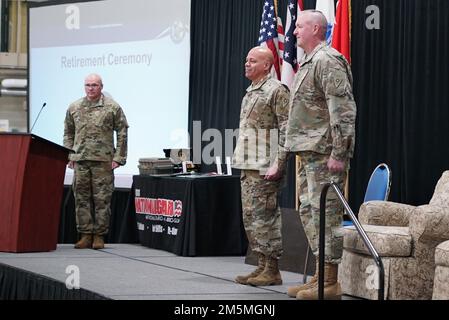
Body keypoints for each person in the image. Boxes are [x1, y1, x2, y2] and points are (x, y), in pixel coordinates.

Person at [284, 10, 357, 300]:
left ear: (316, 28)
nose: (294, 32)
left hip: (325, 152)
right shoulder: (307, 63)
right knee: (310, 212)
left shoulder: (328, 61)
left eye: (299, 27)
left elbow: (343, 110)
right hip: (308, 151)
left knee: (326, 214)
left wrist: (340, 151)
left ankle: (330, 282)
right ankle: (320, 276)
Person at [232, 46, 289, 286]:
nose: (247, 64)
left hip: (266, 166)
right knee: (251, 218)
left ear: (266, 65)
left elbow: (287, 128)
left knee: (265, 217)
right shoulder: (250, 91)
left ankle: (273, 269)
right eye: (246, 60)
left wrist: (280, 162)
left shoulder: (277, 90)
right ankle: (262, 265)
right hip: (248, 163)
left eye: (252, 61)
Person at [63, 74, 129, 250]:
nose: (90, 88)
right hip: (81, 160)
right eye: (87, 85)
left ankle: (99, 236)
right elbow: (68, 132)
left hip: (103, 161)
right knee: (81, 199)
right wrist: (69, 155)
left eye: (94, 85)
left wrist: (119, 158)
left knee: (102, 200)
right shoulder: (74, 107)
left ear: (101, 86)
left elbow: (122, 132)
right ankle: (85, 235)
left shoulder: (112, 107)